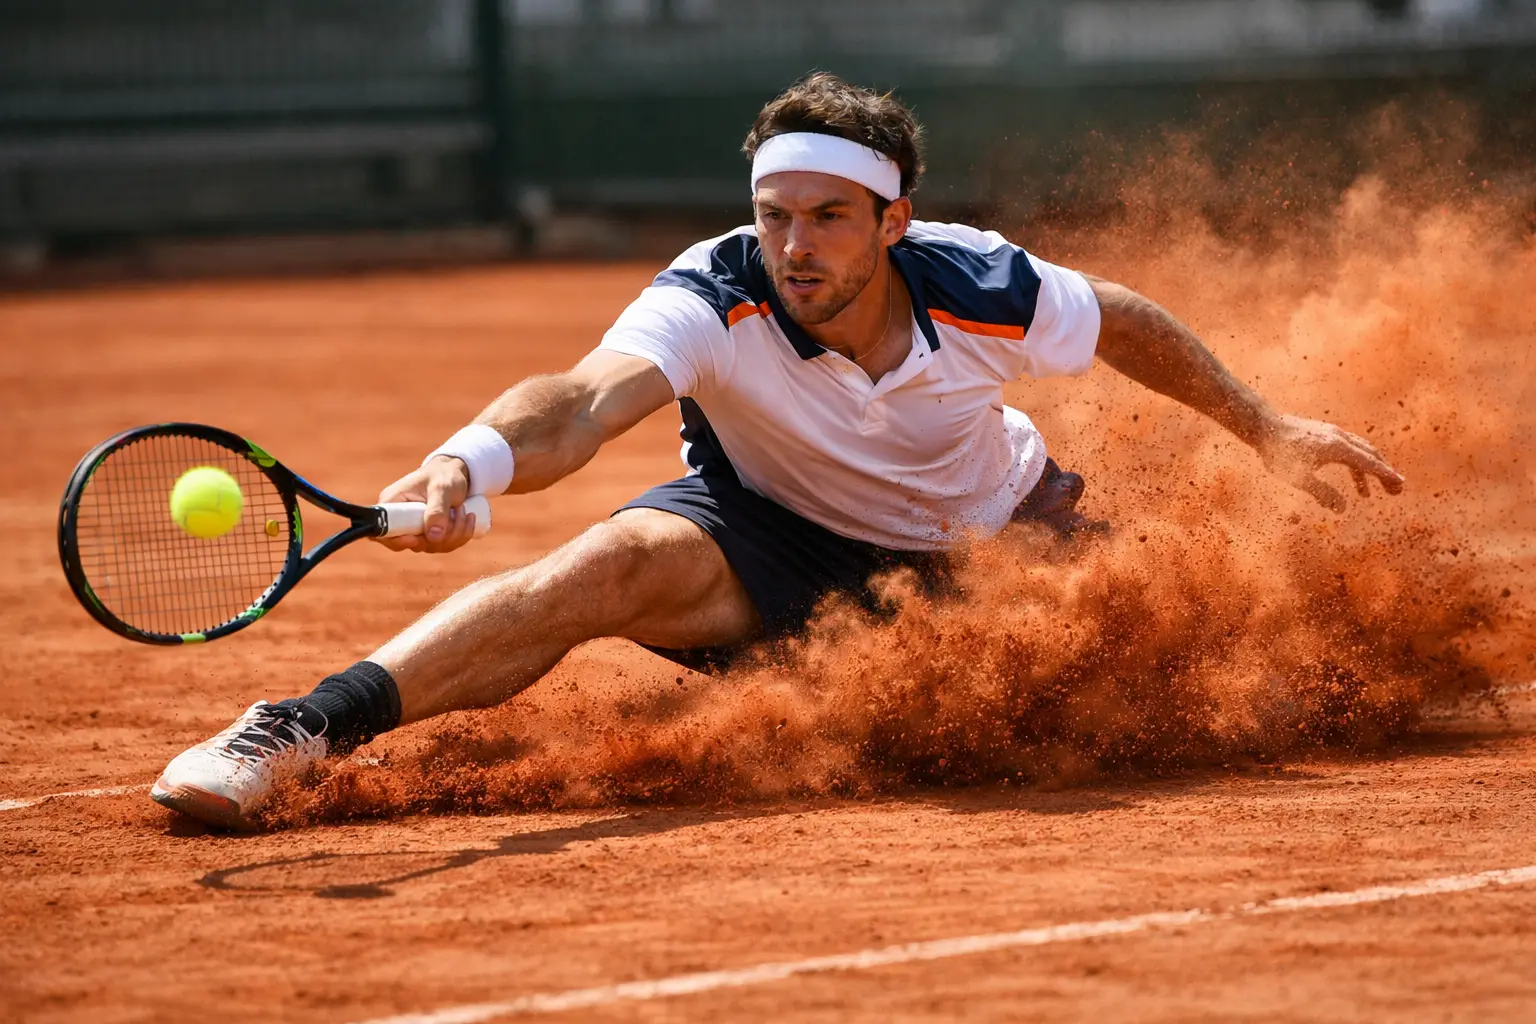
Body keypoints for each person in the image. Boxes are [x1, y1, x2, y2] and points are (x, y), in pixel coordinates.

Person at [150, 73, 1403, 828]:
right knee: (598, 565)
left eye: (828, 219)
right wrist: (469, 461)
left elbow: (1125, 319)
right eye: (774, 214)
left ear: (893, 219)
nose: (796, 245)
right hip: (770, 543)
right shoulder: (715, 293)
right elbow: (583, 401)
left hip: (997, 546)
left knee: (1193, 697)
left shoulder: (980, 283)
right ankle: (297, 729)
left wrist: (1269, 427)